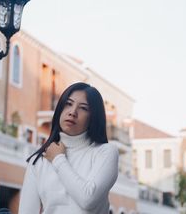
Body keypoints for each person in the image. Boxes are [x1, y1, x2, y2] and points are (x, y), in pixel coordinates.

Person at [19, 82, 119, 214]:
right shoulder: (38, 161)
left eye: (83, 108)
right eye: (68, 104)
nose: (72, 112)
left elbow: (88, 200)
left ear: (93, 117)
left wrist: (58, 159)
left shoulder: (105, 152)